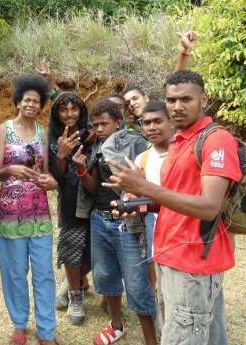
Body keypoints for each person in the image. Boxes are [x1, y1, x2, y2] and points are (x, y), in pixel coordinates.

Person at [104, 70, 242, 345]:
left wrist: (146, 188)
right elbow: (175, 198)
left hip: (193, 264)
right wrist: (146, 204)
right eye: (171, 100)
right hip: (170, 256)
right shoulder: (180, 140)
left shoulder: (215, 140)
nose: (177, 107)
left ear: (204, 99)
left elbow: (209, 207)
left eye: (185, 99)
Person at [73, 99, 156, 345]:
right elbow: (92, 187)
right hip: (100, 219)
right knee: (106, 276)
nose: (99, 129)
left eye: (104, 124)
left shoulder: (136, 143)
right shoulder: (96, 146)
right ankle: (116, 325)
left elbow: (148, 181)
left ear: (118, 122)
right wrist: (81, 171)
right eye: (95, 124)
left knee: (136, 281)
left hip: (127, 223)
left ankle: (151, 339)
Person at [0, 75, 60, 345]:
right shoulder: (3, 129)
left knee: (44, 273)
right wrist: (9, 169)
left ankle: (46, 331)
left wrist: (51, 181)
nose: (31, 104)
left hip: (39, 212)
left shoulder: (43, 132)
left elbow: (47, 172)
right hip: (10, 212)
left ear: (41, 105)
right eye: (26, 100)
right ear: (18, 102)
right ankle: (19, 325)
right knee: (14, 271)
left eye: (36, 101)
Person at [48, 92, 92, 325]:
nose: (69, 114)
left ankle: (72, 281)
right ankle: (76, 295)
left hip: (96, 199)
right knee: (71, 248)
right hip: (70, 200)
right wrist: (62, 155)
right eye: (63, 110)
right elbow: (58, 179)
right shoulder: (52, 137)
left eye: (74, 109)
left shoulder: (92, 133)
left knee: (95, 253)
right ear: (56, 114)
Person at [133, 100, 173, 291]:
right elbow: (136, 195)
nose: (151, 127)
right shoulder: (142, 159)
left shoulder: (184, 155)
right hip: (154, 227)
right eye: (146, 123)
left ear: (171, 121)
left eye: (158, 121)